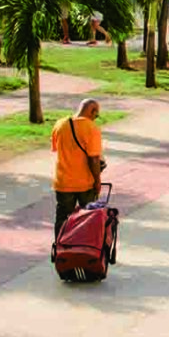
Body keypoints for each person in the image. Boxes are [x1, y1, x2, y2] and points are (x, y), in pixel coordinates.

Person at [51, 98, 105, 239]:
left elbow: (57, 149)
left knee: (62, 218)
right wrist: (97, 180)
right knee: (87, 218)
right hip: (85, 184)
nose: (95, 118)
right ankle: (85, 248)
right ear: (92, 111)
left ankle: (60, 247)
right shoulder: (92, 128)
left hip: (63, 182)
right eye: (96, 115)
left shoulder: (60, 124)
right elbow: (94, 159)